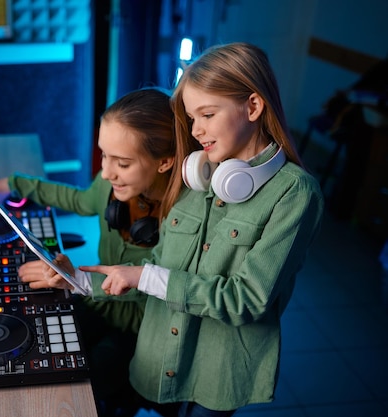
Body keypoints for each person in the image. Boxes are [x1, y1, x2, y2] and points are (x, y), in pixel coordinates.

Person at [21, 42, 325, 417]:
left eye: (207, 115)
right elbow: (151, 271)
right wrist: (76, 281)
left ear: (253, 106)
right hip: (158, 353)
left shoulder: (295, 193)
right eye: (191, 118)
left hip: (216, 374)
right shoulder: (200, 175)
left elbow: (246, 299)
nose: (196, 131)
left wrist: (145, 276)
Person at [0, 87, 197, 415]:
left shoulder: (185, 217)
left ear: (165, 162)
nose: (107, 173)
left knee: (82, 381)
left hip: (145, 332)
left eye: (121, 162)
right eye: (103, 155)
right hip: (100, 304)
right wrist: (16, 184)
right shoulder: (110, 186)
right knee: (32, 335)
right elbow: (78, 200)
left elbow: (143, 284)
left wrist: (75, 278)